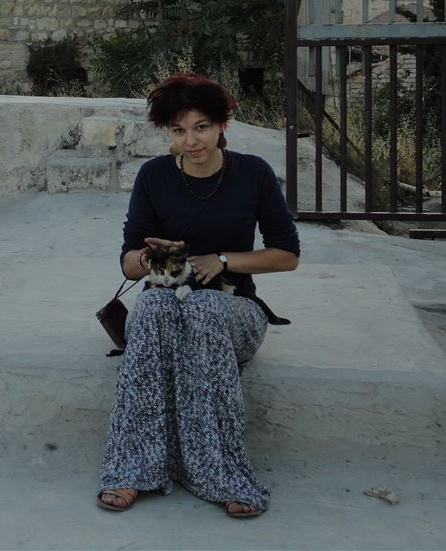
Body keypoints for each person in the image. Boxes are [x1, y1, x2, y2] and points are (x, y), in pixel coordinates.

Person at [96, 73, 300, 519]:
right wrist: (147, 260)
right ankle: (131, 470)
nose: (192, 140)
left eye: (202, 127)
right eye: (179, 130)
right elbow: (128, 262)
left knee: (207, 307)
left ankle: (221, 472)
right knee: (151, 305)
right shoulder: (153, 176)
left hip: (235, 313)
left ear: (223, 125)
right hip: (166, 310)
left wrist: (224, 260)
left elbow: (287, 256)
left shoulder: (253, 173)